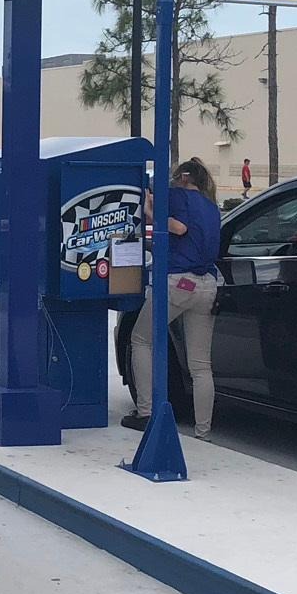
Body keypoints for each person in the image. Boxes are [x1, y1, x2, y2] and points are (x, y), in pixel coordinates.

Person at [123, 157, 222, 440]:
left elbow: (178, 229)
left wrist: (150, 210)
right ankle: (204, 430)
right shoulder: (212, 206)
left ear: (184, 178)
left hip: (178, 282)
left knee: (141, 340)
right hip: (207, 285)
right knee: (201, 364)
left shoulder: (179, 196)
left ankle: (145, 413)